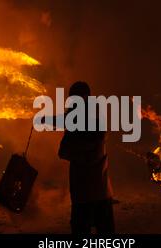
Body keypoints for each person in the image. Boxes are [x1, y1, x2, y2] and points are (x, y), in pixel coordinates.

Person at [40, 81, 115, 233]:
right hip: (100, 190)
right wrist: (46, 120)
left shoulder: (85, 120)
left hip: (84, 192)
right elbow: (63, 120)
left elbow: (66, 151)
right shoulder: (94, 117)